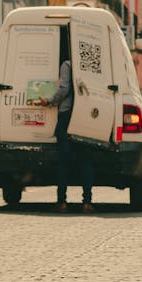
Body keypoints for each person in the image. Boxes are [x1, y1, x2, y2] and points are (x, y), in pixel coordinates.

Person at [42, 29, 94, 212]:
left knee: (63, 161)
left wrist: (49, 101)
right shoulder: (91, 67)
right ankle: (87, 202)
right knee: (86, 161)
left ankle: (61, 201)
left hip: (66, 116)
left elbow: (63, 89)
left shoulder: (67, 64)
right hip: (86, 116)